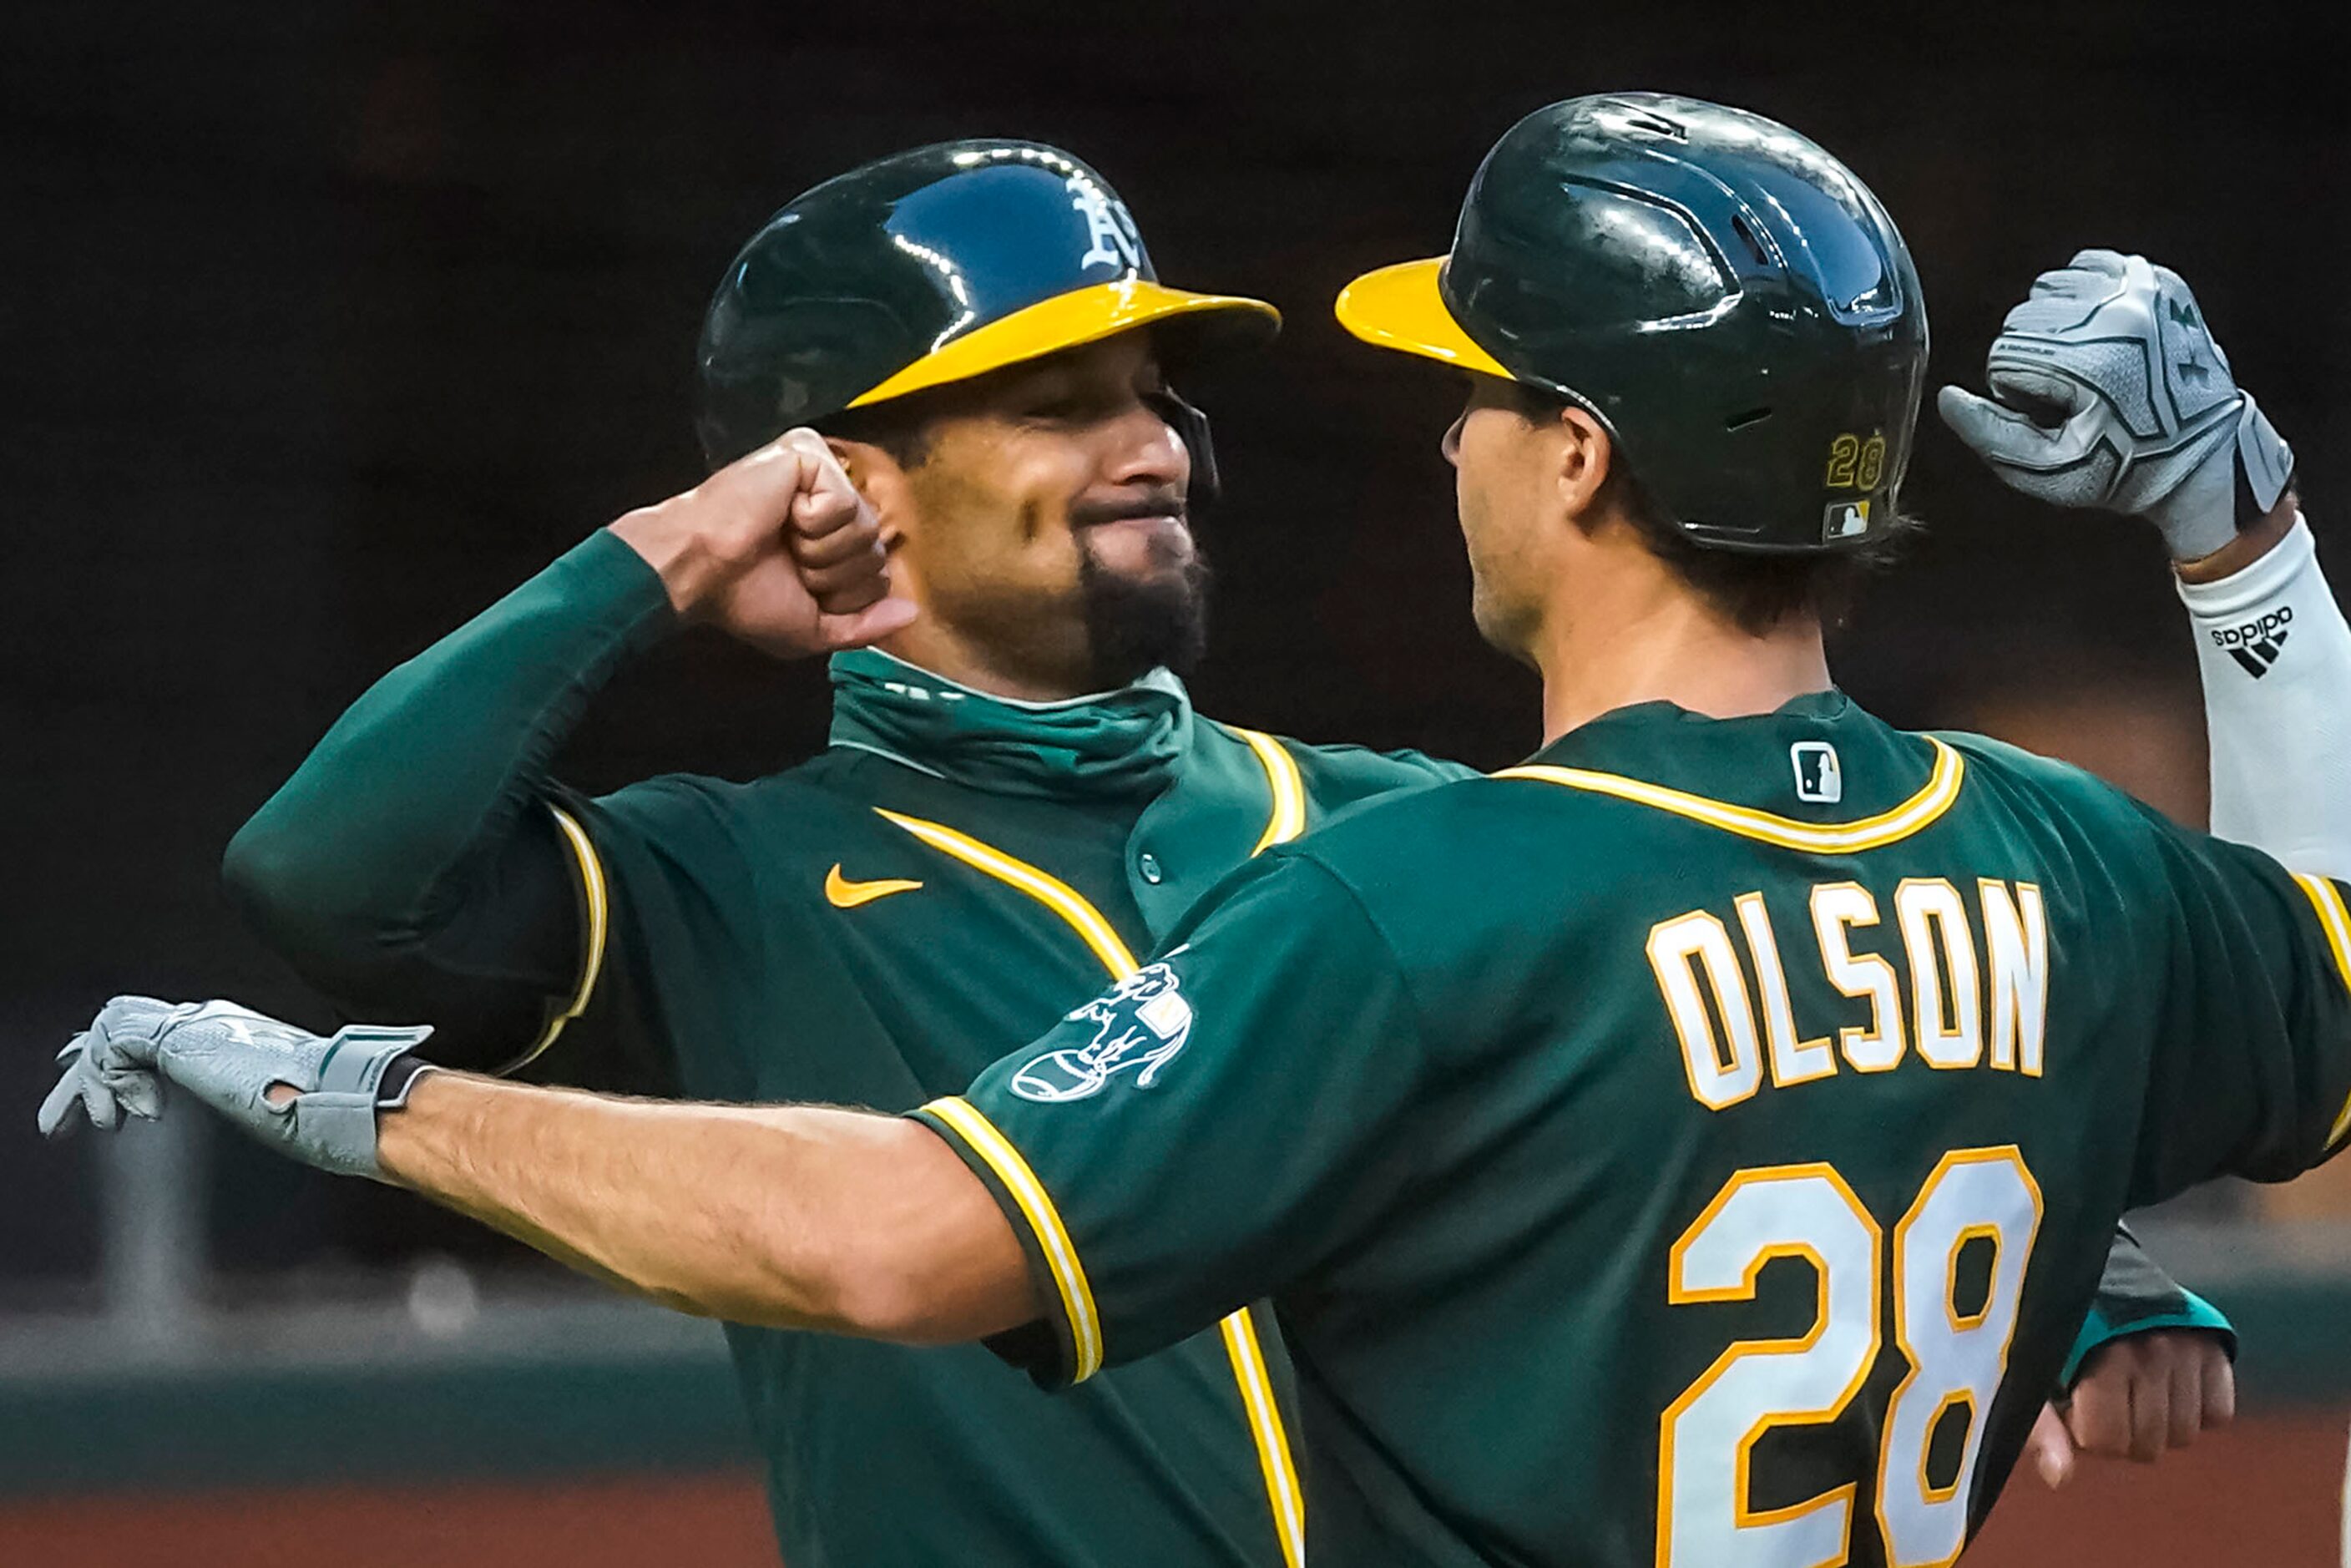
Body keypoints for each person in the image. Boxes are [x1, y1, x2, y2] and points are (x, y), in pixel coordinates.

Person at [42, 100, 2325, 1562]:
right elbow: (326, 879)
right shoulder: (726, 876)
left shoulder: (1409, 837)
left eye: (1154, 389)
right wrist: (650, 558)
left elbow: (929, 1232)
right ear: (835, 474)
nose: (1149, 440)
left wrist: (2064, 1235)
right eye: (1052, 399)